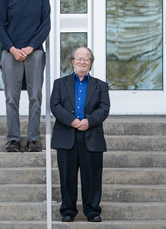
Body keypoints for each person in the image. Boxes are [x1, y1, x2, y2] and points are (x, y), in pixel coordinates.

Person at [50, 47, 110, 222]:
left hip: (91, 135)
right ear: (72, 61)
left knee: (92, 176)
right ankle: (68, 211)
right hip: (66, 135)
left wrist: (88, 121)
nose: (82, 62)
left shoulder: (101, 86)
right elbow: (55, 105)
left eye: (86, 59)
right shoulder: (60, 83)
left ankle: (92, 211)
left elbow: (104, 108)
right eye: (79, 59)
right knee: (67, 176)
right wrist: (72, 121)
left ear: (91, 63)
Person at [0, 0, 51, 152]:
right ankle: (13, 139)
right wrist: (12, 49)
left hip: (34, 53)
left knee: (35, 96)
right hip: (10, 53)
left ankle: (33, 139)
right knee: (12, 97)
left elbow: (46, 26)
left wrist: (30, 48)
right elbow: (0, 27)